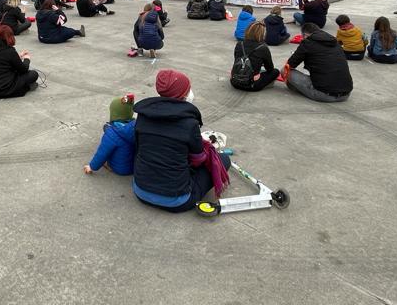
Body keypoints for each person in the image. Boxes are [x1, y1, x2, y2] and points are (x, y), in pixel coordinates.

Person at [132, 69, 231, 213]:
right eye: (188, 89)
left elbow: (141, 147)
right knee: (223, 159)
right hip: (177, 201)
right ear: (183, 94)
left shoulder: (142, 116)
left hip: (141, 191)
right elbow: (198, 159)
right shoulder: (190, 124)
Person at [283, 23, 353, 102]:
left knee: (285, 71)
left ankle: (302, 90)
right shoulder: (335, 42)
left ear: (305, 35)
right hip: (346, 93)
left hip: (324, 94)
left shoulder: (307, 42)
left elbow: (290, 64)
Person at [0, 24, 40, 98]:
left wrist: (18, 57)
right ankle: (24, 87)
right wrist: (27, 59)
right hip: (2, 89)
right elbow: (23, 70)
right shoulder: (10, 51)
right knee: (33, 74)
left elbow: (3, 61)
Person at [84, 95, 136, 176]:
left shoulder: (112, 133)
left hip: (120, 169)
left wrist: (91, 166)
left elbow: (102, 153)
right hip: (135, 166)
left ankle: (109, 165)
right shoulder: (136, 126)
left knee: (108, 148)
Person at [230, 22, 279, 91]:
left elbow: (237, 60)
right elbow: (270, 68)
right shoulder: (263, 48)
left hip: (235, 81)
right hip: (252, 84)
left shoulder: (239, 44)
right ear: (262, 34)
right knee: (275, 72)